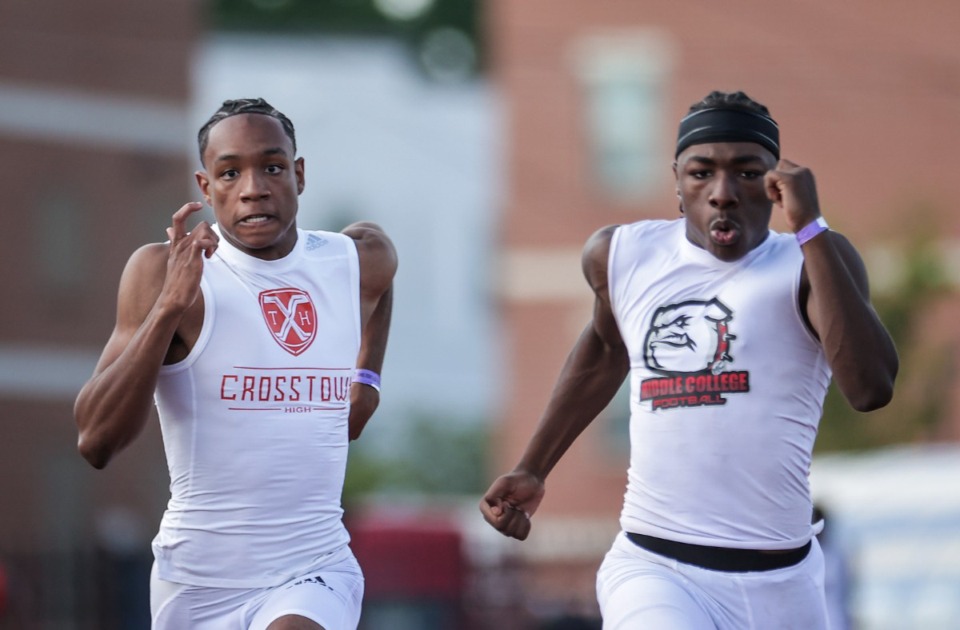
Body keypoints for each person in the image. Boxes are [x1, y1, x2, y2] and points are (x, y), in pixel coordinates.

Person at [480, 90, 898, 629]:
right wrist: (534, 466)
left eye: (747, 173)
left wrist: (811, 226)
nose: (722, 193)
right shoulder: (624, 255)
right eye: (702, 173)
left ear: (777, 185)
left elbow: (871, 389)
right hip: (658, 567)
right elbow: (607, 348)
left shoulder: (810, 261)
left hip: (785, 582)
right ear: (677, 182)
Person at [74, 98, 397, 630]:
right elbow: (95, 441)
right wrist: (169, 308)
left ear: (298, 174)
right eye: (230, 173)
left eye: (271, 167)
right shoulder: (163, 272)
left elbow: (383, 274)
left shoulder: (353, 258)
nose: (253, 188)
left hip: (314, 567)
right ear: (206, 189)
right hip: (198, 583)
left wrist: (367, 378)